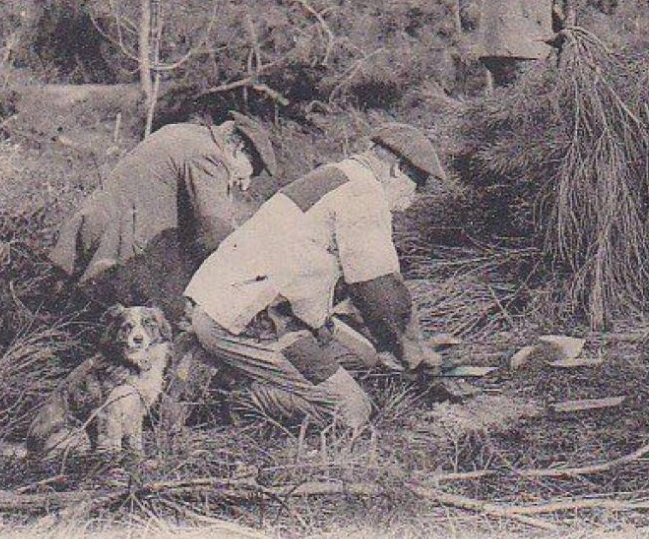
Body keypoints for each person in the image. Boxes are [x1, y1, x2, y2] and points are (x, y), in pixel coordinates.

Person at [183, 123, 449, 433]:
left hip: (231, 303)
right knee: (352, 411)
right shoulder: (365, 194)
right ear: (398, 169)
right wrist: (412, 349)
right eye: (416, 187)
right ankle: (229, 401)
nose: (411, 202)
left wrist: (397, 342)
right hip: (250, 321)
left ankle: (245, 372)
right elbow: (378, 288)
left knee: (364, 357)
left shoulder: (338, 175)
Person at [50, 112, 276, 319]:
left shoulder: (182, 131)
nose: (245, 186)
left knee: (66, 322)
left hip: (95, 227)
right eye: (251, 172)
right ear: (238, 150)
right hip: (119, 251)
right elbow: (214, 236)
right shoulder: (209, 158)